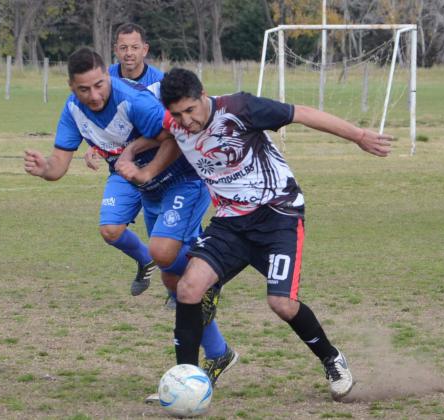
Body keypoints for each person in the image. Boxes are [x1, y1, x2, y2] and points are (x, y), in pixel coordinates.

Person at [117, 68, 392, 401]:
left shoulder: (240, 108)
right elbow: (171, 138)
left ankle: (332, 358)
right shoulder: (177, 125)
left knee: (281, 303)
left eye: (190, 110)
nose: (186, 120)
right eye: (177, 114)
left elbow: (301, 113)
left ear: (203, 95)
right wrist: (137, 159)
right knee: (188, 288)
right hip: (231, 221)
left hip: (278, 214)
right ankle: (185, 382)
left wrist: (359, 135)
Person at [23, 49, 238, 392]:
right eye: (84, 90)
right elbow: (59, 166)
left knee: (167, 256)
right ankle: (218, 350)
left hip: (182, 180)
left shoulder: (133, 100)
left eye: (99, 86)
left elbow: (175, 137)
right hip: (140, 185)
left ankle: (208, 265)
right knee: (173, 281)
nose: (94, 96)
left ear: (107, 77)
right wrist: (44, 169)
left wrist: (144, 166)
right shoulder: (72, 110)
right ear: (71, 87)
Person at [83, 23, 173, 305]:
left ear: (145, 49)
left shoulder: (162, 83)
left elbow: (174, 129)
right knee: (110, 230)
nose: (129, 53)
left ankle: (178, 292)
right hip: (122, 171)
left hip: (161, 169)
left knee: (167, 238)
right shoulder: (103, 80)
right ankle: (145, 260)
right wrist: (92, 147)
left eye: (135, 47)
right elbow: (93, 117)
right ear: (115, 50)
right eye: (123, 48)